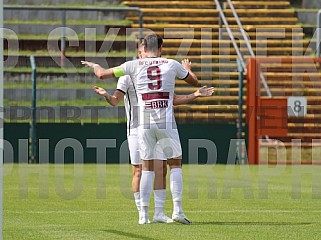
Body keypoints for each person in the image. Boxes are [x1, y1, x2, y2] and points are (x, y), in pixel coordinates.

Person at [82, 34, 199, 224]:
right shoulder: (171, 63)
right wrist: (187, 69)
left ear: (143, 48)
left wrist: (94, 65)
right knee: (175, 164)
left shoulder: (132, 66)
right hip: (166, 122)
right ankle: (177, 209)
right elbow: (194, 81)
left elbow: (101, 75)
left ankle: (144, 215)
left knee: (147, 169)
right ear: (160, 48)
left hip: (143, 124)